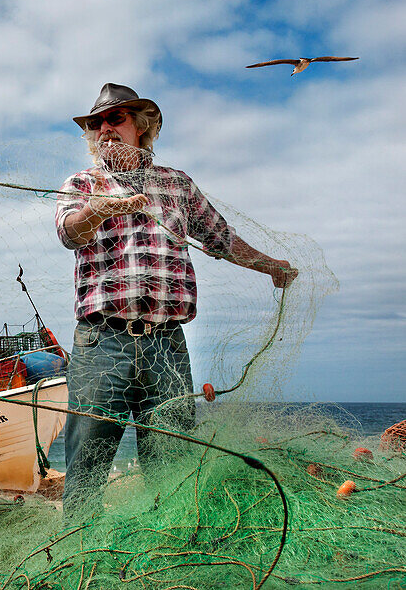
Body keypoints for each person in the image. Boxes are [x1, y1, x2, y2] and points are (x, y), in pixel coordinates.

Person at [55, 83, 297, 518]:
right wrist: (103, 209)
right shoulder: (82, 183)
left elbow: (220, 239)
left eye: (116, 118)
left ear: (141, 126)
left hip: (166, 343)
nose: (105, 129)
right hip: (100, 343)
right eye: (96, 123)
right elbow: (69, 230)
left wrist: (270, 266)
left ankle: (169, 557)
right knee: (86, 463)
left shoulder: (177, 184)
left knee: (173, 467)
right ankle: (75, 561)